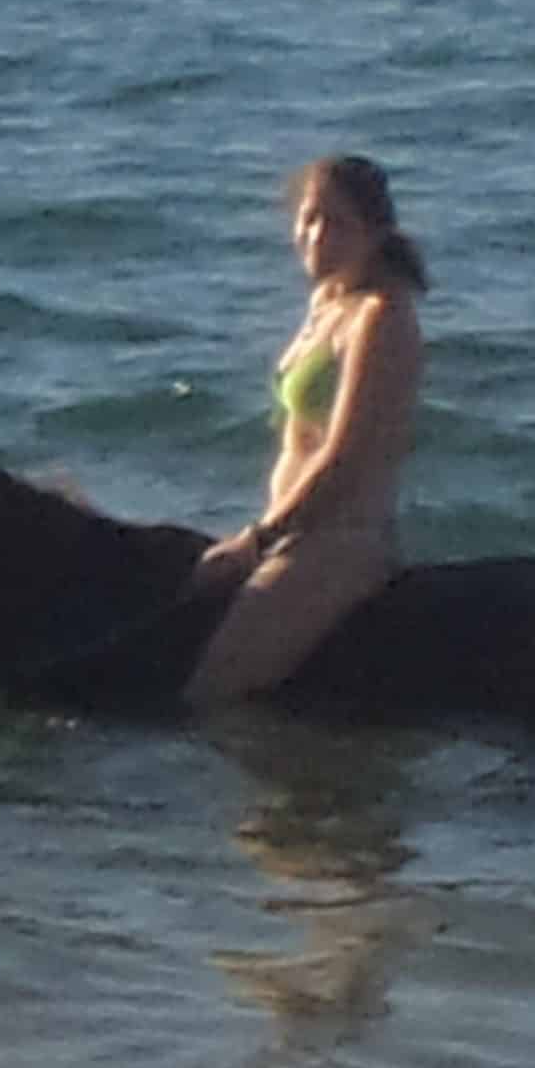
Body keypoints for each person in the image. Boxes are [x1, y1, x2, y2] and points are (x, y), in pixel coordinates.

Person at [182, 155, 427, 702]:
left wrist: (257, 540)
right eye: (310, 219)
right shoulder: (328, 303)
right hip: (294, 530)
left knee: (210, 691)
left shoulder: (382, 317)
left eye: (337, 223)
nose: (317, 236)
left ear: (376, 231)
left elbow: (345, 460)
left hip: (340, 544)